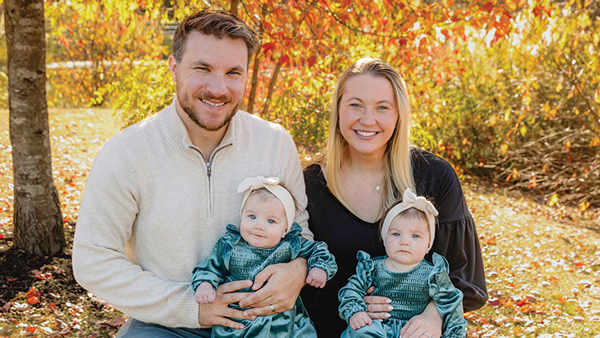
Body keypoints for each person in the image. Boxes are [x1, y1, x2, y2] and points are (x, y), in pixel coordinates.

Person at [72, 10, 313, 338]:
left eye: (233, 73)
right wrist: (191, 306)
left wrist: (298, 270)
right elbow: (93, 258)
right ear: (174, 67)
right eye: (203, 69)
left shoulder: (274, 142)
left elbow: (300, 229)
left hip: (262, 322)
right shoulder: (128, 153)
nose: (219, 88)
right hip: (167, 323)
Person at [300, 58, 488, 338]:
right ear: (338, 109)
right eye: (355, 104)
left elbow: (466, 278)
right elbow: (297, 278)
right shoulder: (309, 184)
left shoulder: (434, 176)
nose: (367, 119)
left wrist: (433, 315)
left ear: (399, 114)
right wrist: (352, 304)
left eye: (382, 108)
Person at [192, 176, 337, 337]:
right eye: (252, 217)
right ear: (242, 217)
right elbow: (210, 267)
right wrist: (205, 285)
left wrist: (319, 268)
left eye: (271, 221)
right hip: (240, 323)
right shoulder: (230, 244)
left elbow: (318, 250)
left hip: (282, 322)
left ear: (285, 229)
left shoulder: (291, 244)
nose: (259, 226)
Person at [338, 188, 467, 338]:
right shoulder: (371, 268)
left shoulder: (433, 274)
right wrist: (356, 312)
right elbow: (351, 290)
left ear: (428, 245)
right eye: (396, 234)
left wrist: (454, 334)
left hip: (414, 329)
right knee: (360, 332)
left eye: (415, 236)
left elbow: (451, 303)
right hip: (377, 326)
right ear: (385, 239)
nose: (404, 242)